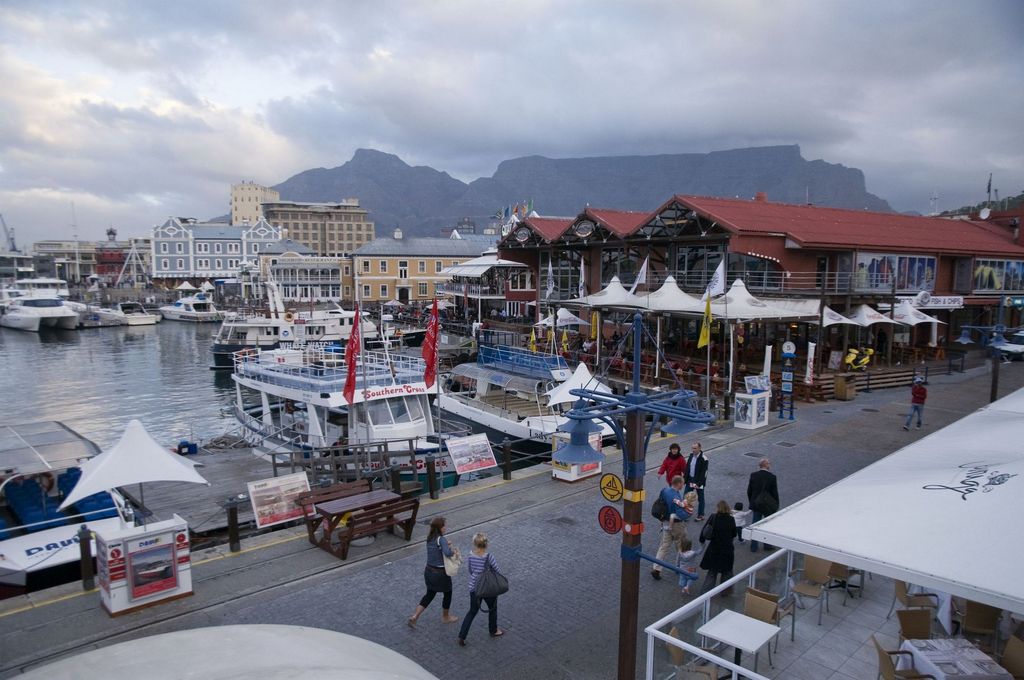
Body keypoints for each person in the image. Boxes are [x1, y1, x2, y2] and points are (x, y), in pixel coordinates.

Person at [408, 517, 460, 628]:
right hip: (440, 574)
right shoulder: (441, 539)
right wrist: (452, 550)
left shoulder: (430, 537)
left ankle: (415, 615)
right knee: (448, 593)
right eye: (444, 525)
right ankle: (446, 617)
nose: (446, 527)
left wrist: (446, 543)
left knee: (430, 594)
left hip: (429, 571)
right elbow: (447, 553)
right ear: (440, 528)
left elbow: (437, 548)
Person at [457, 532, 505, 645]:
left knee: (472, 611)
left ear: (475, 544)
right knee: (492, 609)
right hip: (488, 588)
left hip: (474, 587)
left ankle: (462, 636)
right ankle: (494, 630)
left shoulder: (470, 555)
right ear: (486, 544)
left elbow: (470, 570)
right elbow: (497, 570)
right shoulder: (489, 557)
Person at [651, 475, 691, 580]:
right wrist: (688, 513)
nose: (683, 485)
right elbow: (680, 514)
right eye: (682, 483)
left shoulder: (665, 490)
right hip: (677, 525)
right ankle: (680, 568)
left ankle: (656, 568)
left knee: (664, 546)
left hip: (665, 523)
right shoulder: (676, 497)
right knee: (681, 546)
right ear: (678, 484)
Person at [699, 500, 737, 593]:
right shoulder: (731, 519)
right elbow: (734, 534)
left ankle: (705, 593)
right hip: (727, 550)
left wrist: (702, 540)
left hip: (714, 549)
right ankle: (725, 592)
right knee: (726, 572)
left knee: (712, 572)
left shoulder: (714, 517)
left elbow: (705, 530)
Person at [746, 458, 779, 553]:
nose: (770, 465)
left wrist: (752, 502)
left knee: (755, 525)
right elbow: (774, 493)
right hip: (767, 505)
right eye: (769, 463)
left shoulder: (753, 475)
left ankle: (754, 546)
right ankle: (767, 545)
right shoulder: (772, 477)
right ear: (765, 465)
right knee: (766, 526)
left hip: (756, 504)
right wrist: (775, 504)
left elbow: (749, 491)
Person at [684, 442, 709, 520]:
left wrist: (699, 483)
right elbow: (687, 468)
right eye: (692, 448)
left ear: (699, 448)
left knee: (701, 498)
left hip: (698, 481)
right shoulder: (691, 456)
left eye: (695, 448)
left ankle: (701, 515)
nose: (693, 450)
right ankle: (685, 514)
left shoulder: (704, 459)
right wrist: (684, 479)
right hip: (690, 480)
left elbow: (704, 473)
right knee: (686, 497)